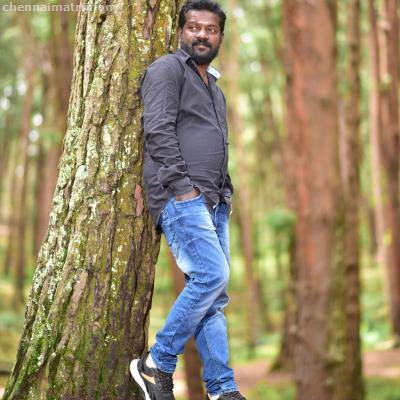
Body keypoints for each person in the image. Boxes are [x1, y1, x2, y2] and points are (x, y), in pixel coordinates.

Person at [130, 1, 246, 399]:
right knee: (212, 276)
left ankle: (222, 389)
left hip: (214, 201)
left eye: (210, 29)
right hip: (181, 196)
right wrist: (183, 188)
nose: (202, 34)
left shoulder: (214, 88)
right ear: (181, 31)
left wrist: (223, 191)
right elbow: (158, 129)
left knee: (213, 297)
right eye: (194, 27)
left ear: (220, 37)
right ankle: (157, 362)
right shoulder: (167, 69)